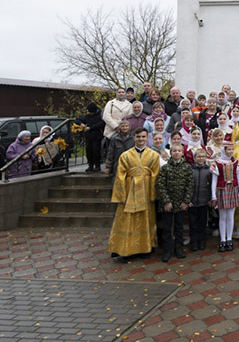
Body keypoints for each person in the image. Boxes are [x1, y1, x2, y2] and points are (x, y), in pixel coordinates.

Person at [107, 128, 160, 260]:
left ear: (147, 138)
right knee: (128, 220)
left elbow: (156, 175)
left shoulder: (153, 155)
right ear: (134, 138)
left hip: (146, 191)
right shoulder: (125, 155)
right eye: (138, 137)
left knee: (145, 219)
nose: (141, 139)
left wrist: (153, 194)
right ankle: (126, 249)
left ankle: (145, 248)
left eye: (143, 137)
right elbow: (120, 175)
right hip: (129, 190)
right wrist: (121, 195)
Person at [156, 144, 193, 262]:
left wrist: (186, 201)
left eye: (179, 151)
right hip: (168, 204)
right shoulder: (165, 168)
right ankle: (167, 250)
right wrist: (166, 201)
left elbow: (190, 185)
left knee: (179, 227)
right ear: (171, 153)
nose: (177, 153)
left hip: (181, 203)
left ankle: (179, 248)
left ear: (182, 153)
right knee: (167, 228)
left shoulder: (187, 168)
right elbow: (161, 185)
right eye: (174, 151)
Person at [210, 142, 239, 252]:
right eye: (228, 149)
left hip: (233, 189)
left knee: (231, 216)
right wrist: (213, 196)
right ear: (224, 150)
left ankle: (229, 239)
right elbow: (214, 180)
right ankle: (222, 239)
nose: (231, 151)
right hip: (222, 190)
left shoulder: (236, 163)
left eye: (232, 149)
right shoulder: (217, 163)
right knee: (222, 216)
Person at [188, 147, 213, 251]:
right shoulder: (190, 170)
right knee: (193, 223)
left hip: (204, 201)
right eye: (199, 157)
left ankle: (202, 241)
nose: (201, 158)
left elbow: (211, 186)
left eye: (203, 157)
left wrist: (210, 198)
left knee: (202, 222)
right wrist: (188, 200)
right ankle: (194, 242)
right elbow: (187, 186)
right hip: (192, 202)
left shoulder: (209, 171)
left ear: (206, 158)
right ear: (194, 158)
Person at [78, 103, 106, 172]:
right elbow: (77, 120)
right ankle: (90, 165)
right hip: (88, 137)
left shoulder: (99, 116)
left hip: (97, 136)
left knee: (96, 151)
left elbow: (101, 124)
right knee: (89, 151)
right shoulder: (86, 117)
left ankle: (97, 165)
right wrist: (81, 124)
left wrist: (90, 128)